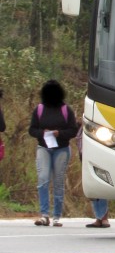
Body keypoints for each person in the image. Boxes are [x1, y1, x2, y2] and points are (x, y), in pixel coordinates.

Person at [28, 80, 77, 227]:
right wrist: (42, 133)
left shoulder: (66, 110)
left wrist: (59, 133)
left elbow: (73, 130)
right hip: (43, 147)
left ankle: (56, 215)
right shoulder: (39, 109)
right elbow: (32, 129)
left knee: (58, 181)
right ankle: (44, 214)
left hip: (61, 149)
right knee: (43, 179)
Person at [75, 122, 110, 228]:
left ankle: (104, 218)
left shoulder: (97, 126)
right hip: (85, 160)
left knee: (101, 188)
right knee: (93, 190)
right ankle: (98, 217)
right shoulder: (81, 127)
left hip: (98, 160)